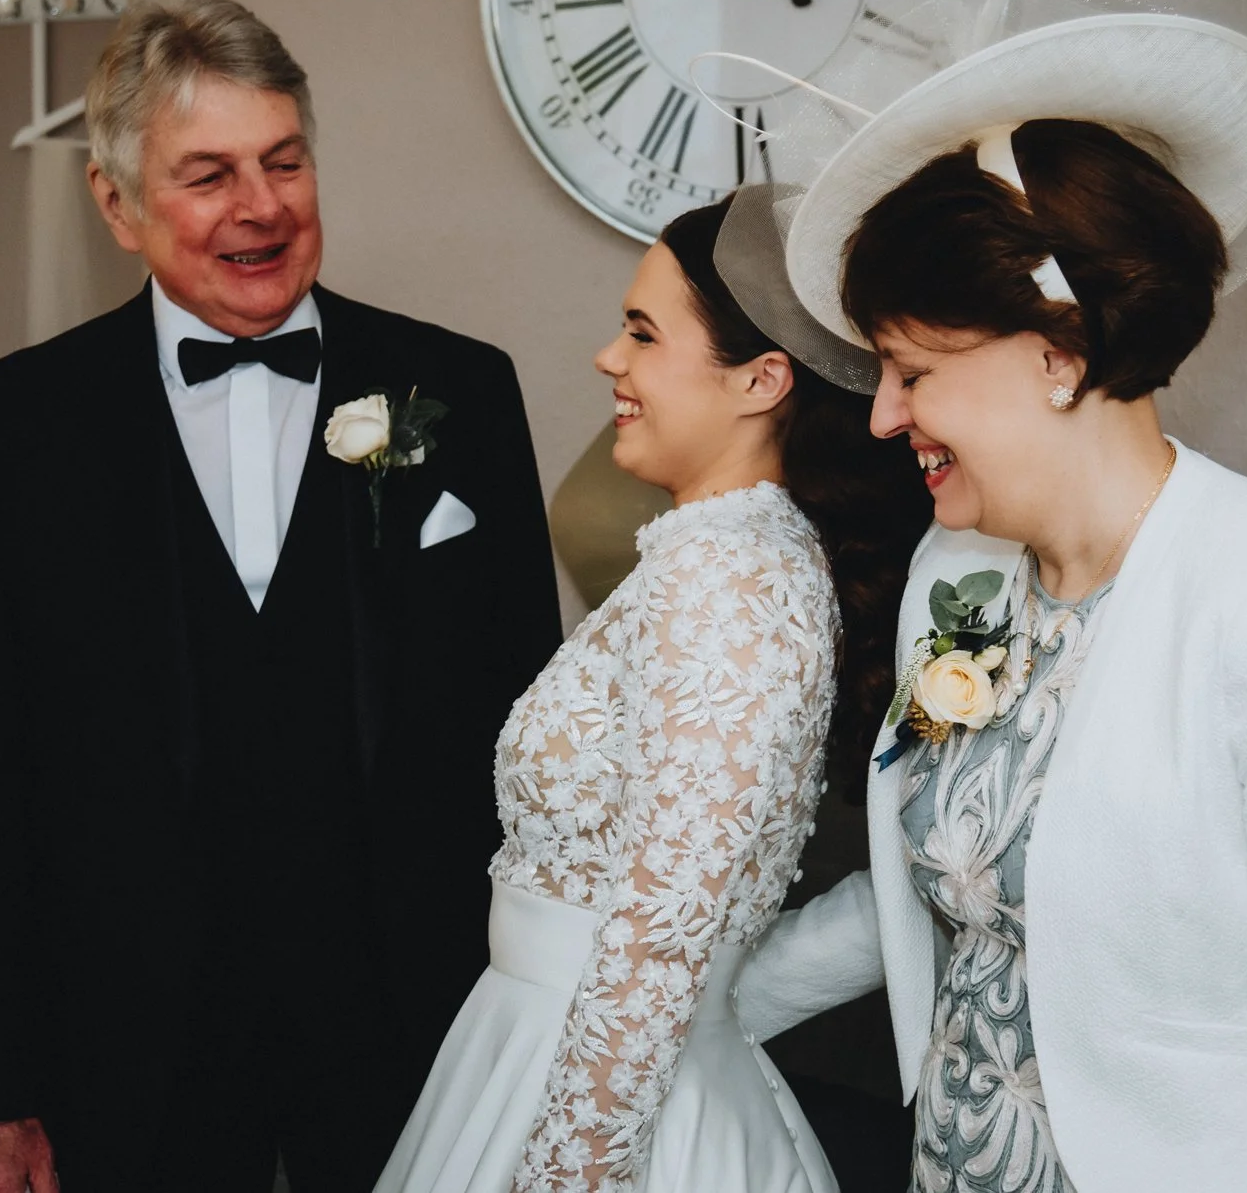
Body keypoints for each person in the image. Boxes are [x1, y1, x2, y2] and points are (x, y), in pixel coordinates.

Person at [728, 0, 1247, 1192]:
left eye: (913, 371)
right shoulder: (953, 574)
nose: (879, 416)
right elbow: (946, 886)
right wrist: (683, 1014)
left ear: (1054, 354)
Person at [0, 0, 562, 1192]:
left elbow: (529, 739)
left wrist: (534, 1032)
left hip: (410, 1031)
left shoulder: (460, 389)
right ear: (116, 204)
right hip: (121, 1043)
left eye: (284, 162)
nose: (260, 208)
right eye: (207, 175)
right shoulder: (11, 425)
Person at [377, 189, 928, 1193]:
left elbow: (664, 928)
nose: (608, 358)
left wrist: (571, 1171)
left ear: (760, 379)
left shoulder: (730, 579)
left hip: (601, 1099)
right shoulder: (715, 559)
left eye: (640, 331)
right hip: (541, 1046)